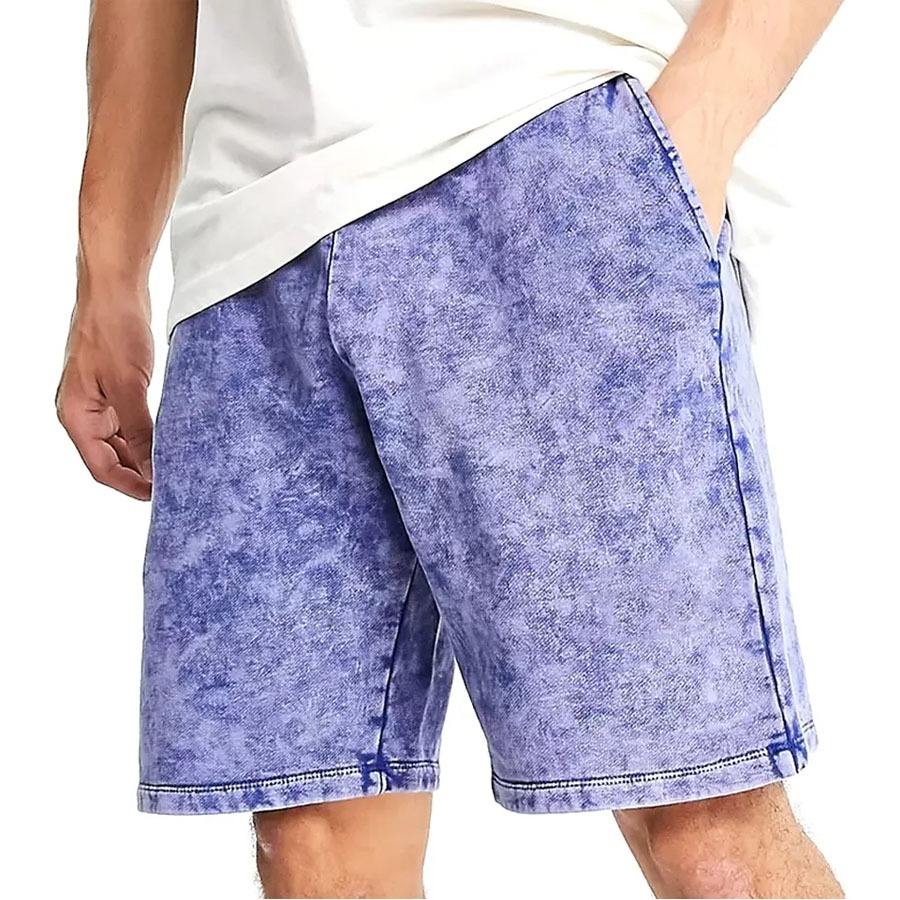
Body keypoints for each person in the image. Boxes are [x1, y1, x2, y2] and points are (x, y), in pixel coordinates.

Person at [57, 1, 845, 897]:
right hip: (247, 236)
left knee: (702, 824)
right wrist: (108, 273)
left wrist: (689, 129)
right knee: (314, 842)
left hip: (539, 134)